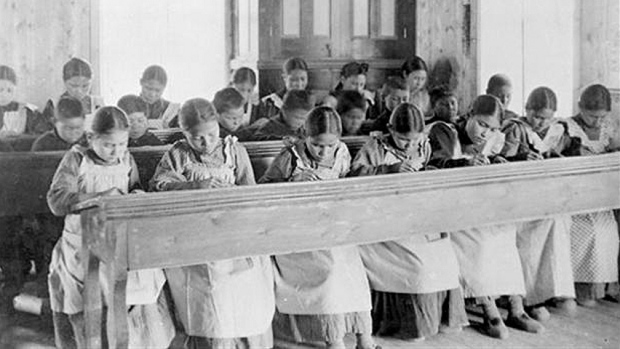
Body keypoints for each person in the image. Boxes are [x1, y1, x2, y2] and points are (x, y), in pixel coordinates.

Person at [150, 98, 275, 348]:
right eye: (197, 138)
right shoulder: (178, 154)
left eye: (212, 134)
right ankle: (214, 339)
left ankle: (243, 340)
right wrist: (193, 186)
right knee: (211, 288)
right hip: (195, 235)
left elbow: (250, 190)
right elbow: (158, 186)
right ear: (184, 134)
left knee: (244, 282)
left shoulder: (234, 150)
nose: (206, 142)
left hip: (233, 230)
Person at [47, 106, 174, 348]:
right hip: (82, 241)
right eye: (108, 145)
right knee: (90, 297)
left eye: (122, 143)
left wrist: (136, 194)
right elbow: (57, 201)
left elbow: (135, 186)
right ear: (91, 138)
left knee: (137, 288)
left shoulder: (126, 159)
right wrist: (100, 196)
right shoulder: (76, 159)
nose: (116, 151)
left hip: (119, 239)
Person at [260, 107, 379, 349]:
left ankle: (364, 338)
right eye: (317, 145)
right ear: (305, 135)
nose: (324, 151)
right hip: (299, 231)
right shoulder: (290, 157)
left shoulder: (342, 153)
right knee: (331, 270)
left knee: (354, 270)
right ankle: (333, 338)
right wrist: (291, 183)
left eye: (329, 146)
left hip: (334, 225)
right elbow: (264, 188)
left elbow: (348, 182)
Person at [351, 103, 468, 341]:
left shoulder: (423, 144)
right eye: (404, 140)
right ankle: (408, 325)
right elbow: (353, 175)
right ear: (391, 130)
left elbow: (432, 167)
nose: (410, 146)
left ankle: (441, 318)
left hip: (415, 214)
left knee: (444, 253)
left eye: (415, 140)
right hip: (382, 219)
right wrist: (389, 169)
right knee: (418, 265)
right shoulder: (375, 146)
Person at [430, 95, 544, 339]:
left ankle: (516, 307)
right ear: (469, 114)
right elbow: (436, 163)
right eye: (481, 124)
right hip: (447, 208)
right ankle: (489, 309)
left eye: (492, 128)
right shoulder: (445, 131)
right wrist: (464, 163)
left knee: (504, 232)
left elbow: (488, 160)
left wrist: (512, 160)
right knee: (478, 240)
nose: (485, 133)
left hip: (476, 205)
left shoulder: (494, 138)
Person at [500, 87, 577, 320]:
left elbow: (566, 153)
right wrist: (520, 159)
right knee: (531, 231)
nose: (540, 122)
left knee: (558, 221)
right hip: (516, 197)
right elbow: (501, 160)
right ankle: (530, 296)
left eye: (546, 118)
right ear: (527, 110)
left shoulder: (557, 131)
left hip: (544, 195)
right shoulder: (515, 128)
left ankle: (555, 289)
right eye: (536, 116)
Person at [544, 84, 620, 306]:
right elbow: (552, 156)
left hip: (601, 194)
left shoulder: (609, 128)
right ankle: (580, 289)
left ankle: (605, 286)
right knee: (590, 231)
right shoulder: (565, 127)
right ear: (580, 108)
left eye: (601, 117)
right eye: (591, 116)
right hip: (573, 196)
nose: (596, 122)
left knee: (608, 231)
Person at [41, 58, 104, 131]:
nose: (79, 91)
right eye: (74, 86)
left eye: (85, 86)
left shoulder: (97, 104)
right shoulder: (54, 105)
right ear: (64, 81)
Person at [239, 90, 315, 142]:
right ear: (284, 111)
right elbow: (257, 139)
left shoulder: (303, 129)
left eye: (304, 119)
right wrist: (280, 139)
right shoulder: (271, 126)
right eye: (297, 117)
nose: (300, 122)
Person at [0, 65, 47, 136]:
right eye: (0, 90)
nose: (4, 95)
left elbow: (42, 136)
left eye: (9, 90)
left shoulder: (27, 111)